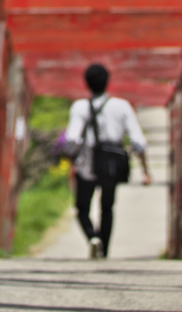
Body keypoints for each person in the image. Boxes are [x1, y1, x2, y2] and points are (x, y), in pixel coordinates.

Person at [64, 63, 151, 259]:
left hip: (87, 163)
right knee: (107, 208)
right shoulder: (122, 106)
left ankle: (93, 237)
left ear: (86, 83)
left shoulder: (80, 107)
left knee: (82, 208)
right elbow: (138, 141)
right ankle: (104, 251)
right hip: (112, 164)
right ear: (107, 82)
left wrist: (71, 158)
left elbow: (72, 139)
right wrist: (146, 171)